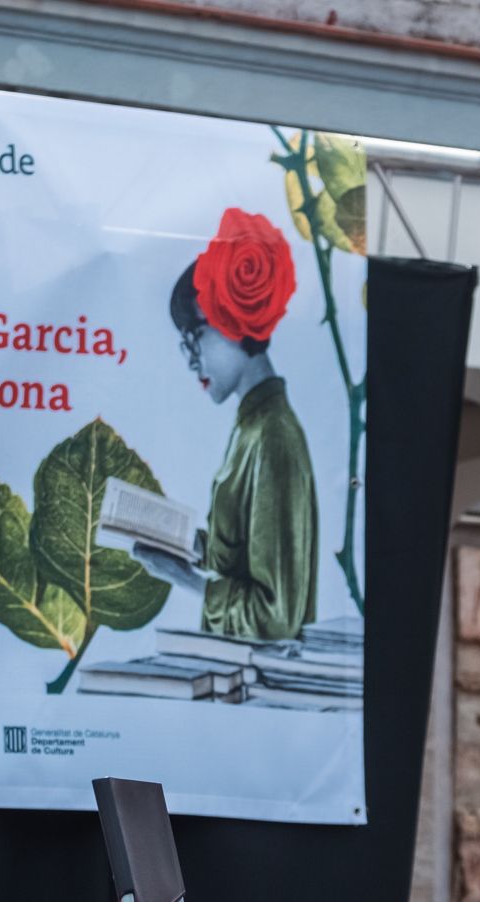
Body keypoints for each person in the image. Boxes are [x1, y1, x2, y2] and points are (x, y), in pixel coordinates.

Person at [161, 207, 319, 641]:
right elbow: (242, 557)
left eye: (196, 336)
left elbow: (275, 616)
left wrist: (183, 576)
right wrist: (189, 548)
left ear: (234, 321)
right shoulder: (253, 427)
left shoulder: (273, 437)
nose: (191, 359)